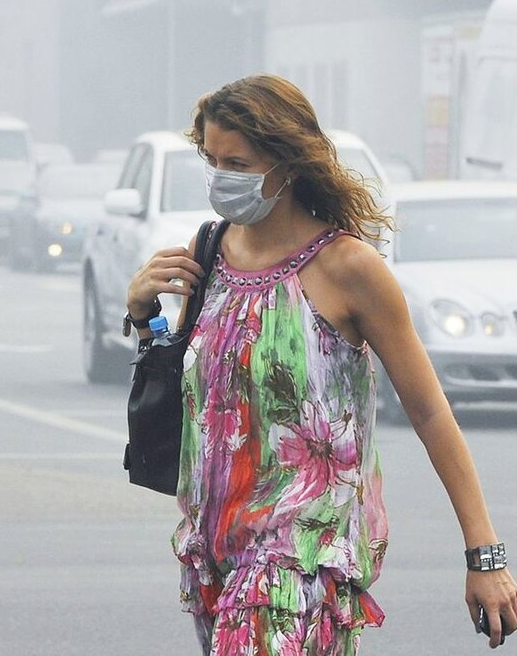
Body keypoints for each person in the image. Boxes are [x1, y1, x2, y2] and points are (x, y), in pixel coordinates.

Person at [124, 75, 517, 654]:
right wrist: (143, 316)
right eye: (211, 159)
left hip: (302, 556)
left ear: (286, 165)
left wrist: (485, 555)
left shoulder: (348, 268)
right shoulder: (209, 250)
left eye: (237, 162)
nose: (220, 177)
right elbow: (198, 387)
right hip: (215, 550)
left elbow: (431, 411)